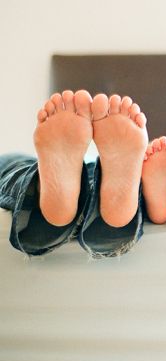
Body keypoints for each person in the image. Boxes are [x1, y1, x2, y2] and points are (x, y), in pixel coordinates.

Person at [0, 90, 148, 257]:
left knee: (13, 164)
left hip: (52, 168)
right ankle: (121, 207)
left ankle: (44, 190)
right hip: (115, 173)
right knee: (143, 175)